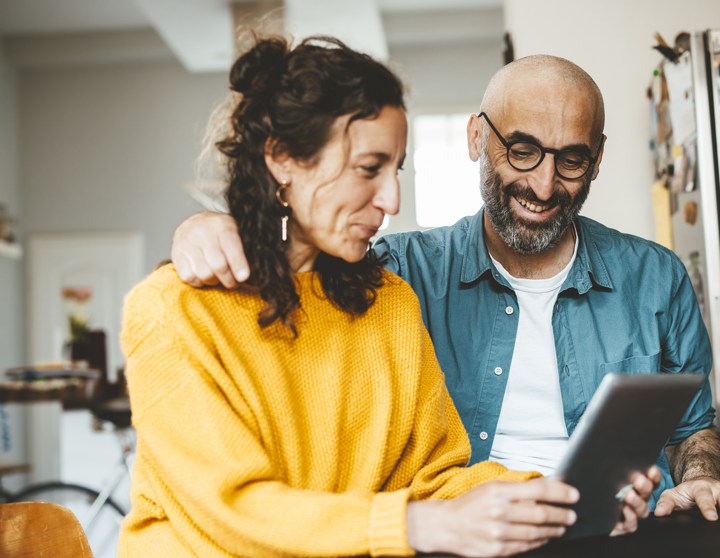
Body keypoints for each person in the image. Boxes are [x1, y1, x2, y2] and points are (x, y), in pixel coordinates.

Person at [122, 37, 657, 558]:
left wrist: (563, 502)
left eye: (395, 169)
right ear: (283, 158)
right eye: (368, 168)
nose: (391, 200)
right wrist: (421, 524)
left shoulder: (389, 304)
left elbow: (436, 476)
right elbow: (234, 512)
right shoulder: (174, 311)